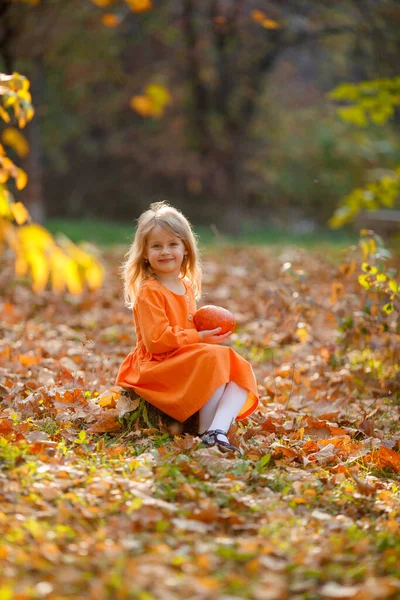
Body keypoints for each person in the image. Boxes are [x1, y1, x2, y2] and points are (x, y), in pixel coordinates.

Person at [116, 202, 259, 452]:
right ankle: (207, 431)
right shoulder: (150, 292)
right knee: (215, 359)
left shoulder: (186, 286)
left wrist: (203, 337)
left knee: (236, 367)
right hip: (156, 364)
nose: (165, 252)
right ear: (145, 253)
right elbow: (157, 341)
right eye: (157, 246)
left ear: (186, 249)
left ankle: (216, 430)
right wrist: (198, 337)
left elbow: (187, 335)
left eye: (173, 244)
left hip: (181, 357)